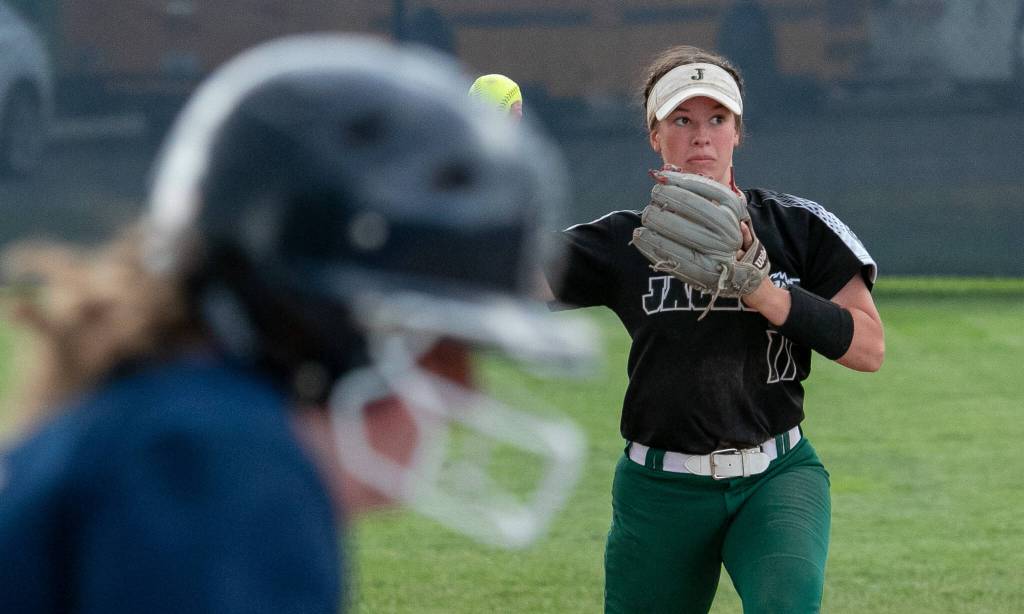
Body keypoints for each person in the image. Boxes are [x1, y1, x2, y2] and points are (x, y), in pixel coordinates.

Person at [0, 34, 594, 613]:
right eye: (441, 344)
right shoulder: (216, 463)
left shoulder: (166, 415)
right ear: (323, 329)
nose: (465, 389)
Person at [542, 44, 885, 613]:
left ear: (737, 131)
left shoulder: (797, 226)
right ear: (655, 135)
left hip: (776, 477)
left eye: (717, 119)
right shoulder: (624, 241)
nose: (701, 135)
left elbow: (869, 348)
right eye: (682, 119)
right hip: (660, 489)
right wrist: (475, 179)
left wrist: (767, 294)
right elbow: (503, 278)